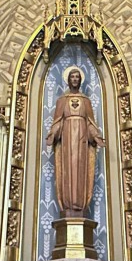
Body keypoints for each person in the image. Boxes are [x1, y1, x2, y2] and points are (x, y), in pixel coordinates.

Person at [46, 66, 105, 218]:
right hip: (66, 144)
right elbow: (57, 122)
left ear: (80, 80)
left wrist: (96, 136)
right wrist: (53, 134)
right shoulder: (62, 100)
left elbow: (90, 123)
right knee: (68, 171)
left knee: (80, 171)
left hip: (82, 143)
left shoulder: (86, 101)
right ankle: (68, 204)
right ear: (68, 80)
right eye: (72, 77)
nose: (75, 79)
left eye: (77, 77)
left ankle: (80, 204)